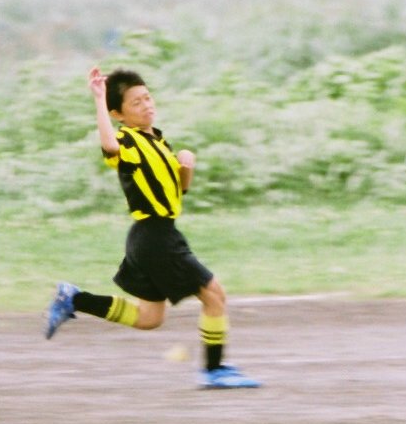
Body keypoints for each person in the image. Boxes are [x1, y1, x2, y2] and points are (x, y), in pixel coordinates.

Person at [44, 67, 260, 389]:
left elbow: (179, 190)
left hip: (150, 237)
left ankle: (75, 299)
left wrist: (186, 166)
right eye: (136, 103)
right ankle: (214, 370)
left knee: (149, 318)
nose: (146, 105)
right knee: (215, 295)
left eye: (147, 98)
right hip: (156, 237)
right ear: (118, 114)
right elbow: (110, 146)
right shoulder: (127, 140)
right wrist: (99, 99)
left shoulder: (156, 140)